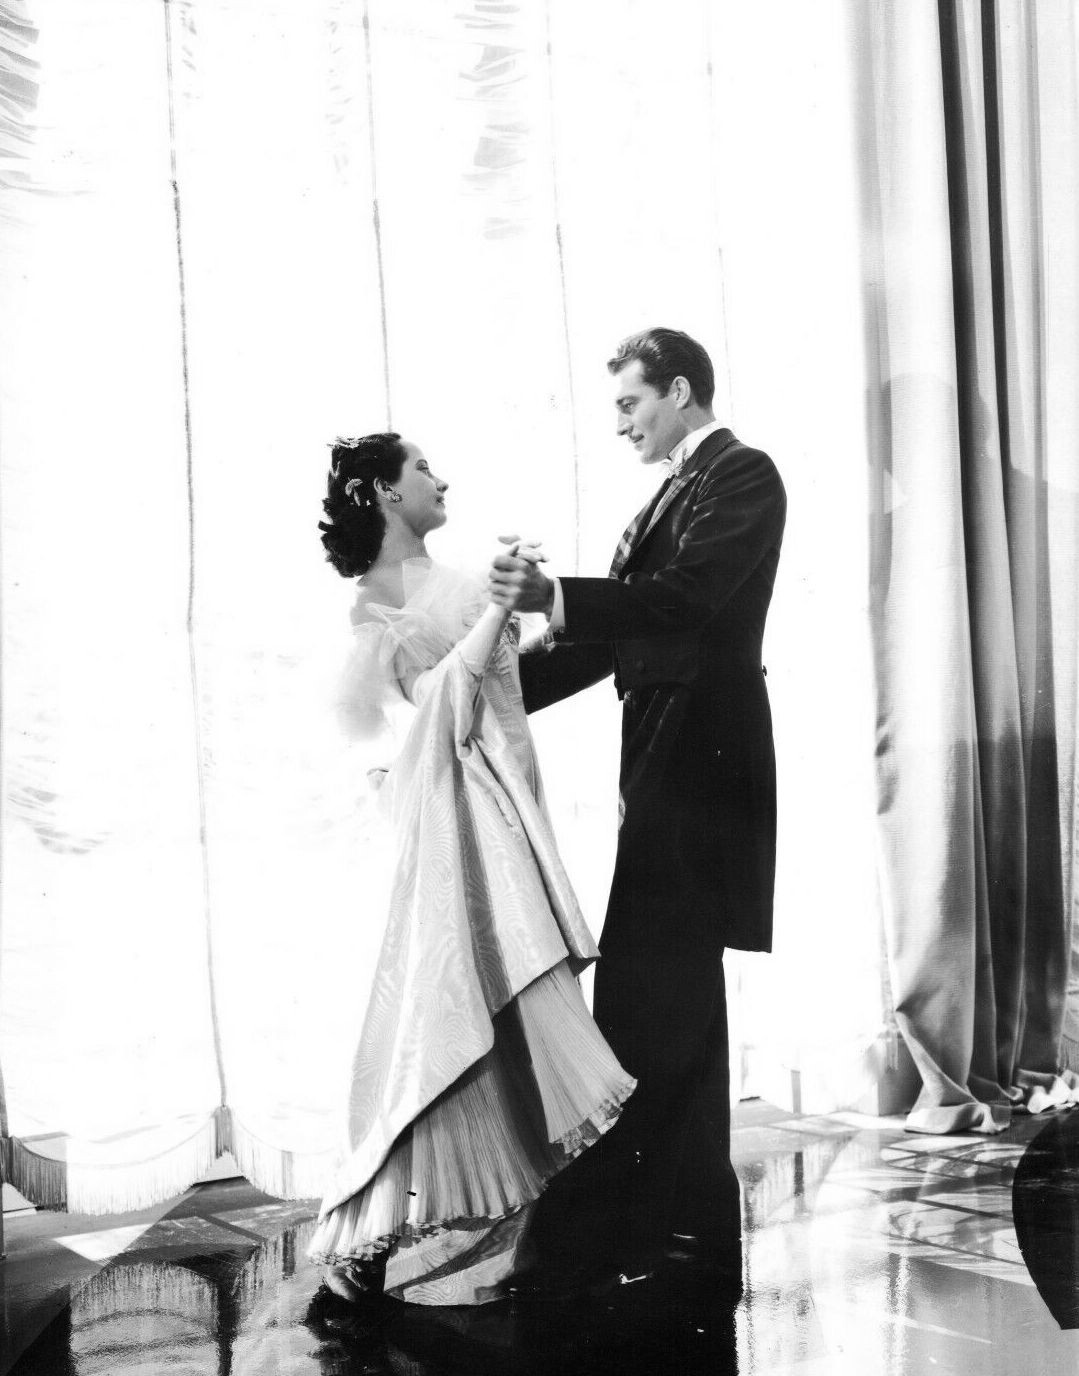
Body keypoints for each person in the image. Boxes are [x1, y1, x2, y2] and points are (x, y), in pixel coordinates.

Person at [489, 327, 786, 1298]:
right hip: (669, 768)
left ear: (680, 391)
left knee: (643, 1000)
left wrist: (557, 595)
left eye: (630, 403)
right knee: (673, 1004)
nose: (619, 424)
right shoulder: (670, 494)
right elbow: (612, 637)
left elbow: (682, 601)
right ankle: (689, 1232)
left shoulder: (742, 474)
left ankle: (616, 1240)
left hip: (702, 773)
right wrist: (486, 686)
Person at [306, 432, 634, 1307]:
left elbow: (505, 688)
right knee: (445, 1010)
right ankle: (378, 1232)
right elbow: (427, 714)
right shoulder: (371, 607)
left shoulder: (455, 583)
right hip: (451, 822)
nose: (439, 478)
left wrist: (536, 612)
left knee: (513, 1009)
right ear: (383, 492)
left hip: (498, 806)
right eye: (421, 468)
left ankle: (544, 1223)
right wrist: (496, 613)